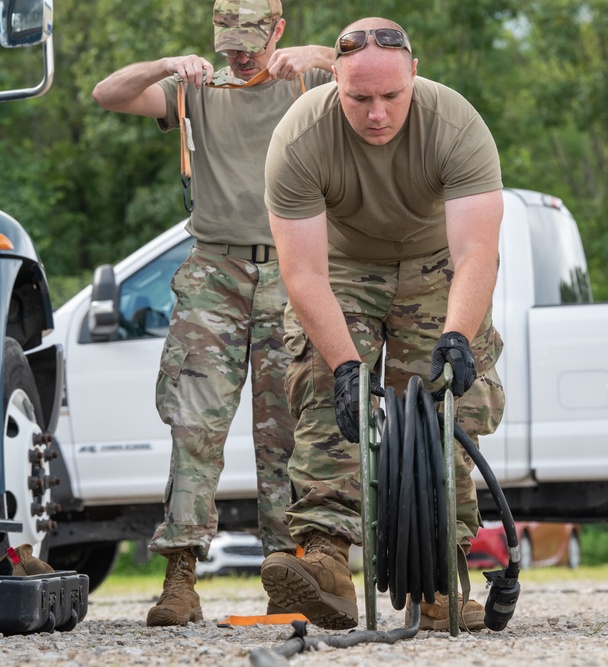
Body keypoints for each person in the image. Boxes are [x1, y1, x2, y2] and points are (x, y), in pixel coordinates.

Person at [92, 0, 334, 627]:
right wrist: (166, 64)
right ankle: (180, 577)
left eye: (253, 40)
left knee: (286, 430)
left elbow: (392, 79)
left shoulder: (308, 78)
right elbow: (106, 94)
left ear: (278, 29)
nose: (241, 54)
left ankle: (291, 575)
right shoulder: (195, 87)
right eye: (230, 41)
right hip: (215, 271)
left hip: (292, 268)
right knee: (194, 424)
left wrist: (324, 55)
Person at [262, 17, 505, 632]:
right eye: (359, 98)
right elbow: (304, 273)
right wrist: (347, 365)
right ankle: (324, 562)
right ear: (333, 79)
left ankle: (440, 574)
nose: (376, 113)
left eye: (391, 97)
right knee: (323, 384)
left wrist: (456, 336)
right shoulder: (300, 137)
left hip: (432, 263)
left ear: (414, 77)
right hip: (342, 267)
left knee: (451, 402)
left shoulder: (455, 123)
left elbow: (476, 252)